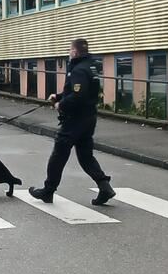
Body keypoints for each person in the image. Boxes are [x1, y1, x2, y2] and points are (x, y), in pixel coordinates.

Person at [29, 38, 115, 206]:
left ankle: (48, 191)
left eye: (70, 50)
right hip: (89, 118)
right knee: (85, 156)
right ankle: (104, 186)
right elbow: (80, 91)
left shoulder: (78, 70)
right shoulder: (90, 67)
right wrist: (59, 96)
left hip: (75, 119)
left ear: (75, 52)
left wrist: (62, 104)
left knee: (59, 154)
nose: (69, 53)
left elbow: (78, 95)